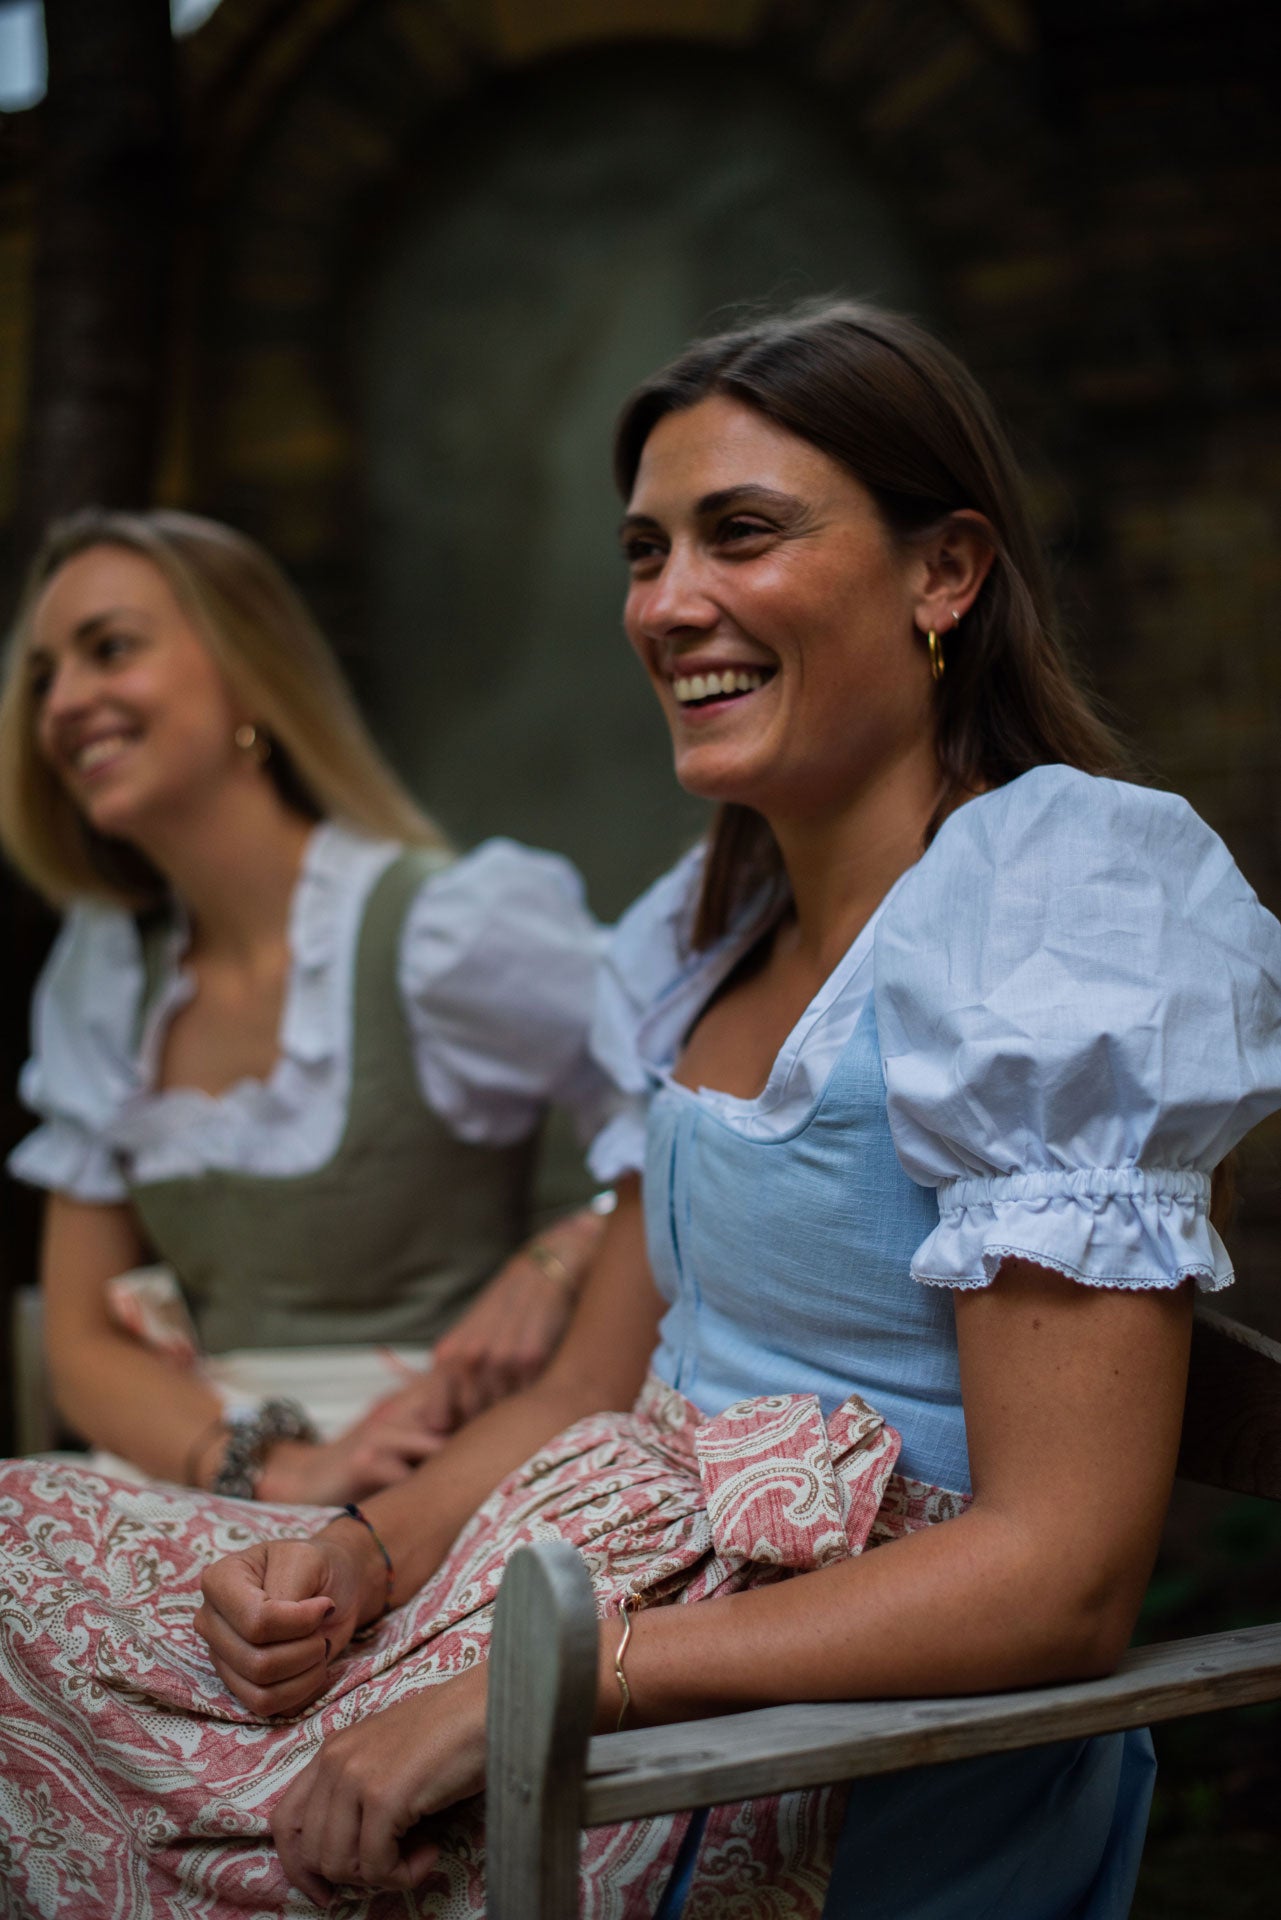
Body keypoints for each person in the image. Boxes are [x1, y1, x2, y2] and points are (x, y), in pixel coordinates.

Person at [3, 304, 1281, 1920]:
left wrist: (548, 1687)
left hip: (811, 1734)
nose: (668, 604)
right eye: (643, 551)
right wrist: (362, 1552)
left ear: (944, 573)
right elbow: (584, 1386)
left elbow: (1061, 1577)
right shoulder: (700, 939)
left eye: (741, 533)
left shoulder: (1052, 909)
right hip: (578, 1598)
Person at [0, 508, 607, 1504]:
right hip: (211, 1466)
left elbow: (686, 1111)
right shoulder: (107, 976)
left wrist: (563, 1254)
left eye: (109, 649)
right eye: (41, 678)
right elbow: (83, 1348)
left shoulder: (440, 929)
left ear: (248, 671)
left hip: (440, 1471)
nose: (64, 702)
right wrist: (272, 1468)